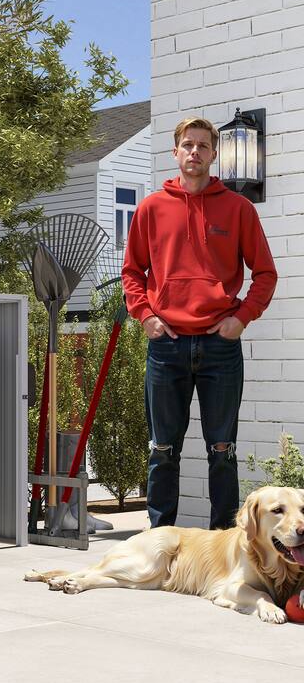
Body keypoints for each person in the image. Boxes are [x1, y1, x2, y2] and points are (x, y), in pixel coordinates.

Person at [122, 117, 277, 530]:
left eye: (203, 146)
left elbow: (265, 273)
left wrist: (241, 317)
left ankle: (224, 544)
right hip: (166, 347)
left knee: (222, 451)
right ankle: (160, 542)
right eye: (188, 145)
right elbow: (132, 272)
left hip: (219, 348)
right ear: (175, 152)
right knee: (162, 451)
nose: (195, 152)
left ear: (214, 154)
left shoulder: (238, 209)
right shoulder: (151, 208)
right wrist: (146, 315)